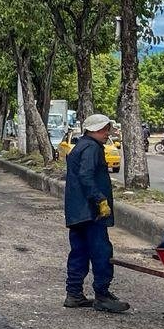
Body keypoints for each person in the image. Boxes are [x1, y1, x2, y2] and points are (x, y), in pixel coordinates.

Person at [64, 113, 130, 313]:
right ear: (92, 130)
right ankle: (102, 295)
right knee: (101, 252)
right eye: (103, 130)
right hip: (91, 212)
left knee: (79, 252)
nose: (106, 133)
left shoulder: (80, 146)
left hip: (77, 212)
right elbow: (86, 175)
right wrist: (100, 200)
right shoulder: (92, 147)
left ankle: (74, 294)